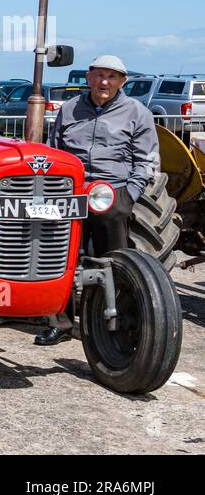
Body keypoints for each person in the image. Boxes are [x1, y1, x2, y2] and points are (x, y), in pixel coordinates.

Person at [35, 55, 159, 345]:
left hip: (112, 190)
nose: (104, 82)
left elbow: (146, 161)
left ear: (122, 82)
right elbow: (54, 149)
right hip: (71, 190)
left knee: (113, 255)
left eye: (112, 77)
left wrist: (129, 195)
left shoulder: (137, 112)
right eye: (99, 75)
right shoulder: (70, 109)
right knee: (59, 253)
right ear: (88, 78)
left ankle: (111, 317)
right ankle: (61, 322)